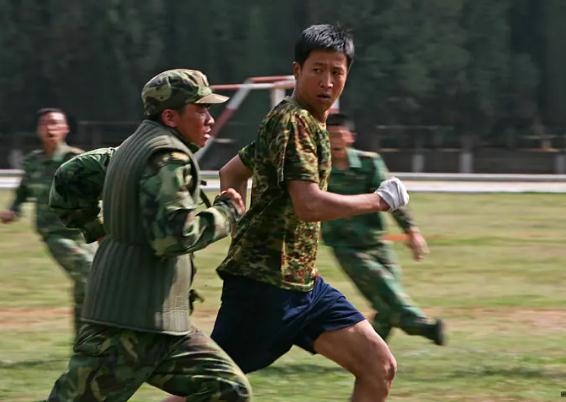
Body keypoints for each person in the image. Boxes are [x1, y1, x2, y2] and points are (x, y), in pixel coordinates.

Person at [212, 24, 409, 402]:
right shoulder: (294, 122)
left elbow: (231, 172)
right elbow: (309, 204)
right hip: (263, 291)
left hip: (304, 286)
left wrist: (242, 225)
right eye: (317, 69)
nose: (327, 81)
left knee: (378, 365)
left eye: (337, 72)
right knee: (213, 389)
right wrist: (379, 201)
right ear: (297, 71)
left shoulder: (305, 120)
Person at [46, 69, 251, 402]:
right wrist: (225, 214)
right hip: (126, 327)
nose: (210, 119)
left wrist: (95, 229)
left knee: (226, 389)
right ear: (170, 116)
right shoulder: (166, 158)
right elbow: (173, 238)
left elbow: (69, 176)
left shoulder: (129, 148)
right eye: (200, 109)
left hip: (159, 326)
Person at [323, 112, 445, 345]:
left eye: (339, 135)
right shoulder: (317, 168)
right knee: (387, 289)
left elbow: (393, 199)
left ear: (351, 137)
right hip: (345, 246)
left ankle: (365, 354)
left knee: (386, 307)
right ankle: (423, 326)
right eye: (329, 136)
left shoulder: (369, 164)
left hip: (376, 243)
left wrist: (412, 231)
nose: (334, 141)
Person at [0, 108, 95, 338]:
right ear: (38, 129)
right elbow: (23, 191)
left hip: (83, 232)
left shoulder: (77, 159)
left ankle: (85, 340)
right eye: (45, 123)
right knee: (90, 271)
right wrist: (13, 211)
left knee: (86, 285)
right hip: (55, 234)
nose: (49, 128)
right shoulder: (32, 162)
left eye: (55, 123)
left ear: (65, 129)